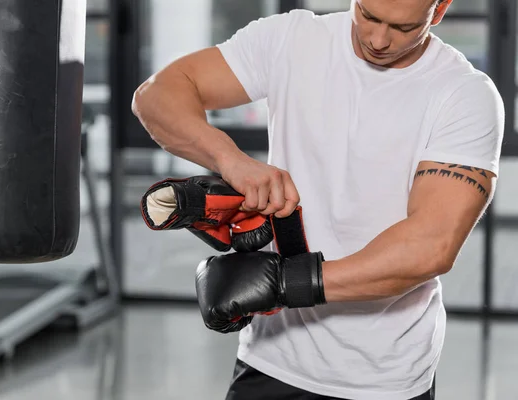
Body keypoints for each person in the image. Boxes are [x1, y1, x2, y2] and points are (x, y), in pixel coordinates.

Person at [132, 0, 504, 398]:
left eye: (403, 27)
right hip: (271, 358)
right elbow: (155, 96)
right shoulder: (292, 40)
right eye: (369, 15)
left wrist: (285, 284)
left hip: (384, 377)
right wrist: (231, 161)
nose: (378, 40)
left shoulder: (464, 95)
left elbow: (430, 246)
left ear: (441, 8)